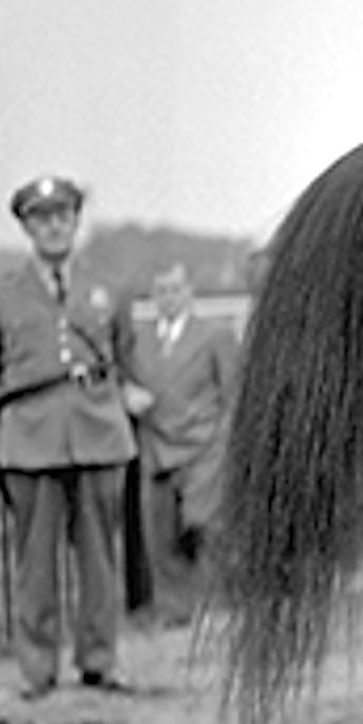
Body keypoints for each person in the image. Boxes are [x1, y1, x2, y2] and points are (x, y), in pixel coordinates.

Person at [0, 176, 141, 696]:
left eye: (62, 216)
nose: (53, 227)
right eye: (41, 218)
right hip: (32, 443)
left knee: (100, 558)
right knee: (35, 562)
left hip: (99, 435)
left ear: (76, 221)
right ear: (26, 227)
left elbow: (126, 357)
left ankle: (100, 661)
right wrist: (26, 407)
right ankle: (37, 671)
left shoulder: (107, 288)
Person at [129, 263, 241, 626]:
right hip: (157, 449)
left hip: (204, 448)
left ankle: (219, 609)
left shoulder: (215, 335)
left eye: (175, 289)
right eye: (161, 290)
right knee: (162, 537)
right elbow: (120, 380)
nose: (168, 297)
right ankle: (174, 611)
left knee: (208, 530)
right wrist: (127, 395)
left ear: (190, 292)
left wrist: (222, 447)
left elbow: (233, 396)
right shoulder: (139, 340)